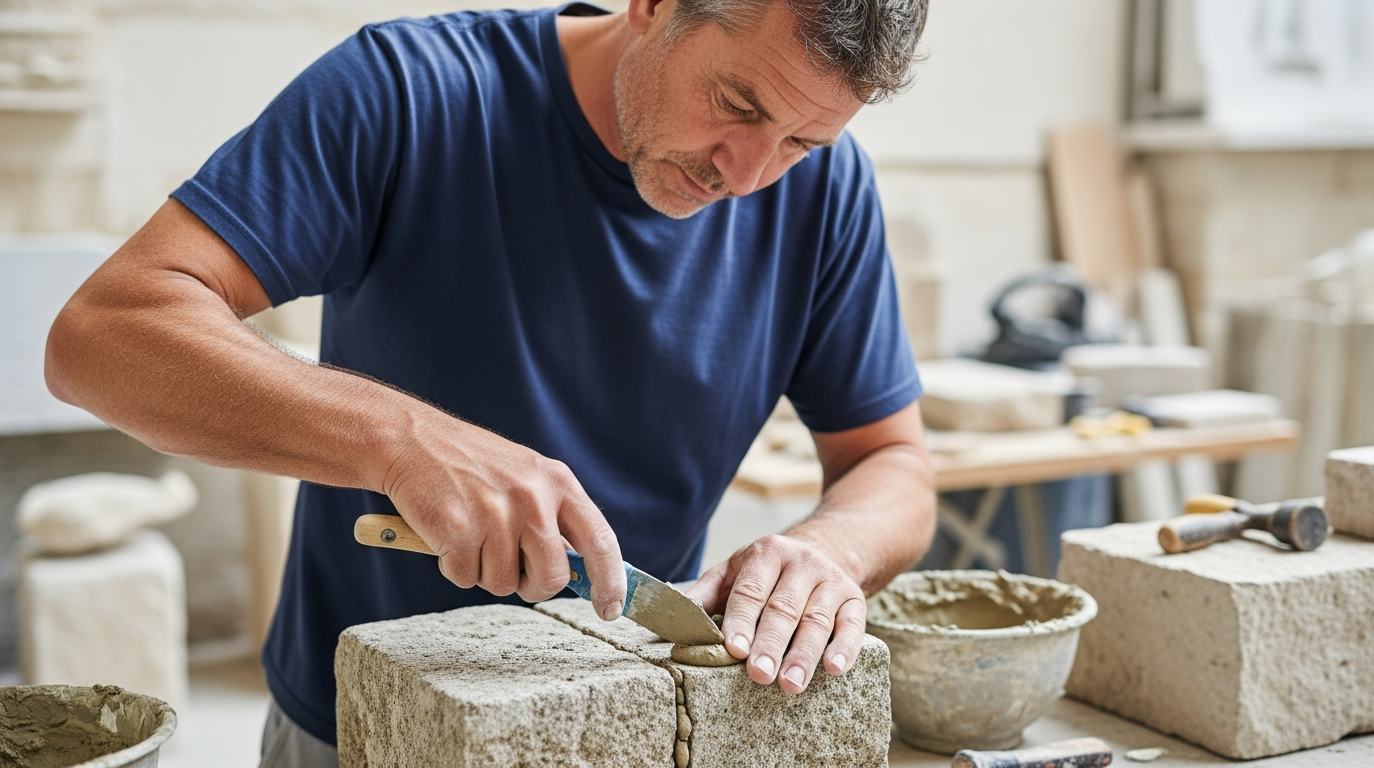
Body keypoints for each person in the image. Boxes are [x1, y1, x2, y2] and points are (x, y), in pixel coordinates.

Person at [45, 0, 936, 763]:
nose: (745, 176)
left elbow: (892, 463)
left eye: (802, 142)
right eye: (737, 103)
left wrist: (831, 551)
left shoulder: (830, 195)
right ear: (653, 5)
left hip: (623, 720)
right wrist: (402, 442)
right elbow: (104, 336)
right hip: (357, 729)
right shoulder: (411, 90)